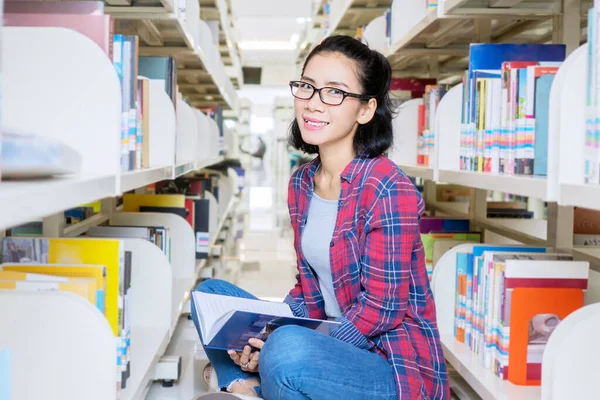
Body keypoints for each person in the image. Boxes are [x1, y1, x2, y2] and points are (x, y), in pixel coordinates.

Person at [191, 35, 450, 400]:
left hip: (386, 361)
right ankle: (248, 385)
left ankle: (255, 382)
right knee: (209, 295)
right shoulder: (302, 182)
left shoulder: (388, 187)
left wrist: (284, 342)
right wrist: (260, 336)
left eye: (335, 92)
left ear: (364, 110)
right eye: (307, 87)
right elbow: (308, 292)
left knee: (287, 351)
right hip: (324, 335)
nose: (314, 103)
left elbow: (383, 310)